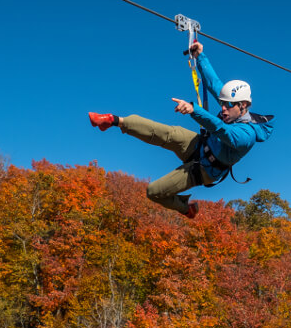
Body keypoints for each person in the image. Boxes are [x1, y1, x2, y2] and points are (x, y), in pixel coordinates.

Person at [88, 41, 274, 218]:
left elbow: (221, 130)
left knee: (153, 191)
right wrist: (200, 56)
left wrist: (194, 110)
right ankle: (113, 121)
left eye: (228, 105)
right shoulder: (231, 107)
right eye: (222, 104)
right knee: (168, 133)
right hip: (198, 146)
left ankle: (186, 208)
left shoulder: (247, 135)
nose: (223, 108)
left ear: (242, 105)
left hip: (204, 170)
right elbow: (213, 82)